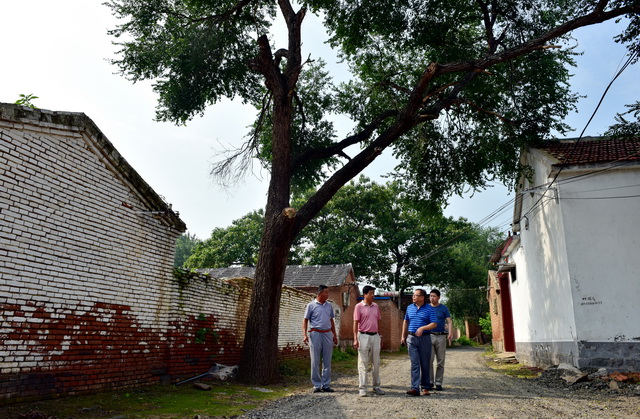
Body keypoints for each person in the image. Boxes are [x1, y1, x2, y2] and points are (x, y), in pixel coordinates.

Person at [400, 288, 437, 396]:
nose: (413, 297)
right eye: (413, 295)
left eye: (415, 295)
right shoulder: (409, 308)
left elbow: (434, 324)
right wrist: (403, 336)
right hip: (411, 339)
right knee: (415, 363)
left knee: (425, 363)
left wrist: (423, 328)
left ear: (422, 297)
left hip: (425, 339)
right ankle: (415, 388)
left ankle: (425, 387)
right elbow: (406, 321)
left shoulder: (429, 309)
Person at [303, 285, 339, 393]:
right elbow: (305, 320)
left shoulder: (329, 306)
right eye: (326, 292)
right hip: (315, 334)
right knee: (315, 360)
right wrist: (304, 335)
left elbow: (331, 321)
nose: (328, 294)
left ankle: (326, 385)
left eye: (328, 292)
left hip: (327, 334)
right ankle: (317, 385)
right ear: (319, 293)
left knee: (327, 360)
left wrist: (335, 335)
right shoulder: (311, 305)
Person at [353, 285, 385, 397]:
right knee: (363, 363)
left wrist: (379, 336)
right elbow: (355, 323)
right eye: (371, 293)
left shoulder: (376, 306)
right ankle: (363, 388)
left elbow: (378, 322)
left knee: (376, 362)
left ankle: (376, 386)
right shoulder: (358, 307)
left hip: (375, 336)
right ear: (364, 294)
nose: (373, 295)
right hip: (363, 336)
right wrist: (355, 339)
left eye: (373, 293)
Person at [428, 288, 453, 391]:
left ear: (438, 297)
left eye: (434, 296)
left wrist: (450, 333)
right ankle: (430, 382)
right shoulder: (426, 308)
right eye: (430, 296)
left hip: (441, 336)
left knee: (440, 361)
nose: (431, 298)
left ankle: (438, 382)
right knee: (429, 360)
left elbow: (449, 321)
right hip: (429, 336)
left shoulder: (443, 308)